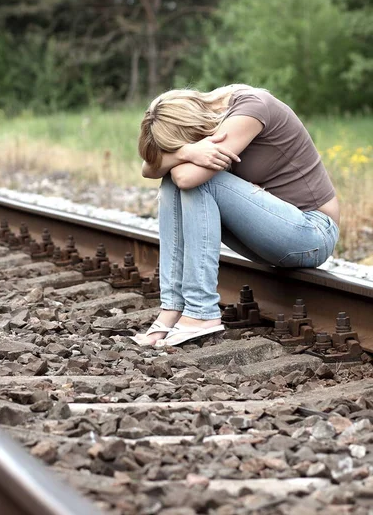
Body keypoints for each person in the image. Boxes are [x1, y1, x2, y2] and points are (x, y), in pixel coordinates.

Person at [133, 84, 340, 348]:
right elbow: (147, 168)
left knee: (194, 181)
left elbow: (187, 177)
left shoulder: (250, 108)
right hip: (272, 231)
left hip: (312, 233)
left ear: (192, 127)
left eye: (183, 143)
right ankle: (172, 307)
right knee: (171, 181)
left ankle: (200, 312)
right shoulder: (215, 111)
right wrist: (186, 152)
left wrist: (176, 158)